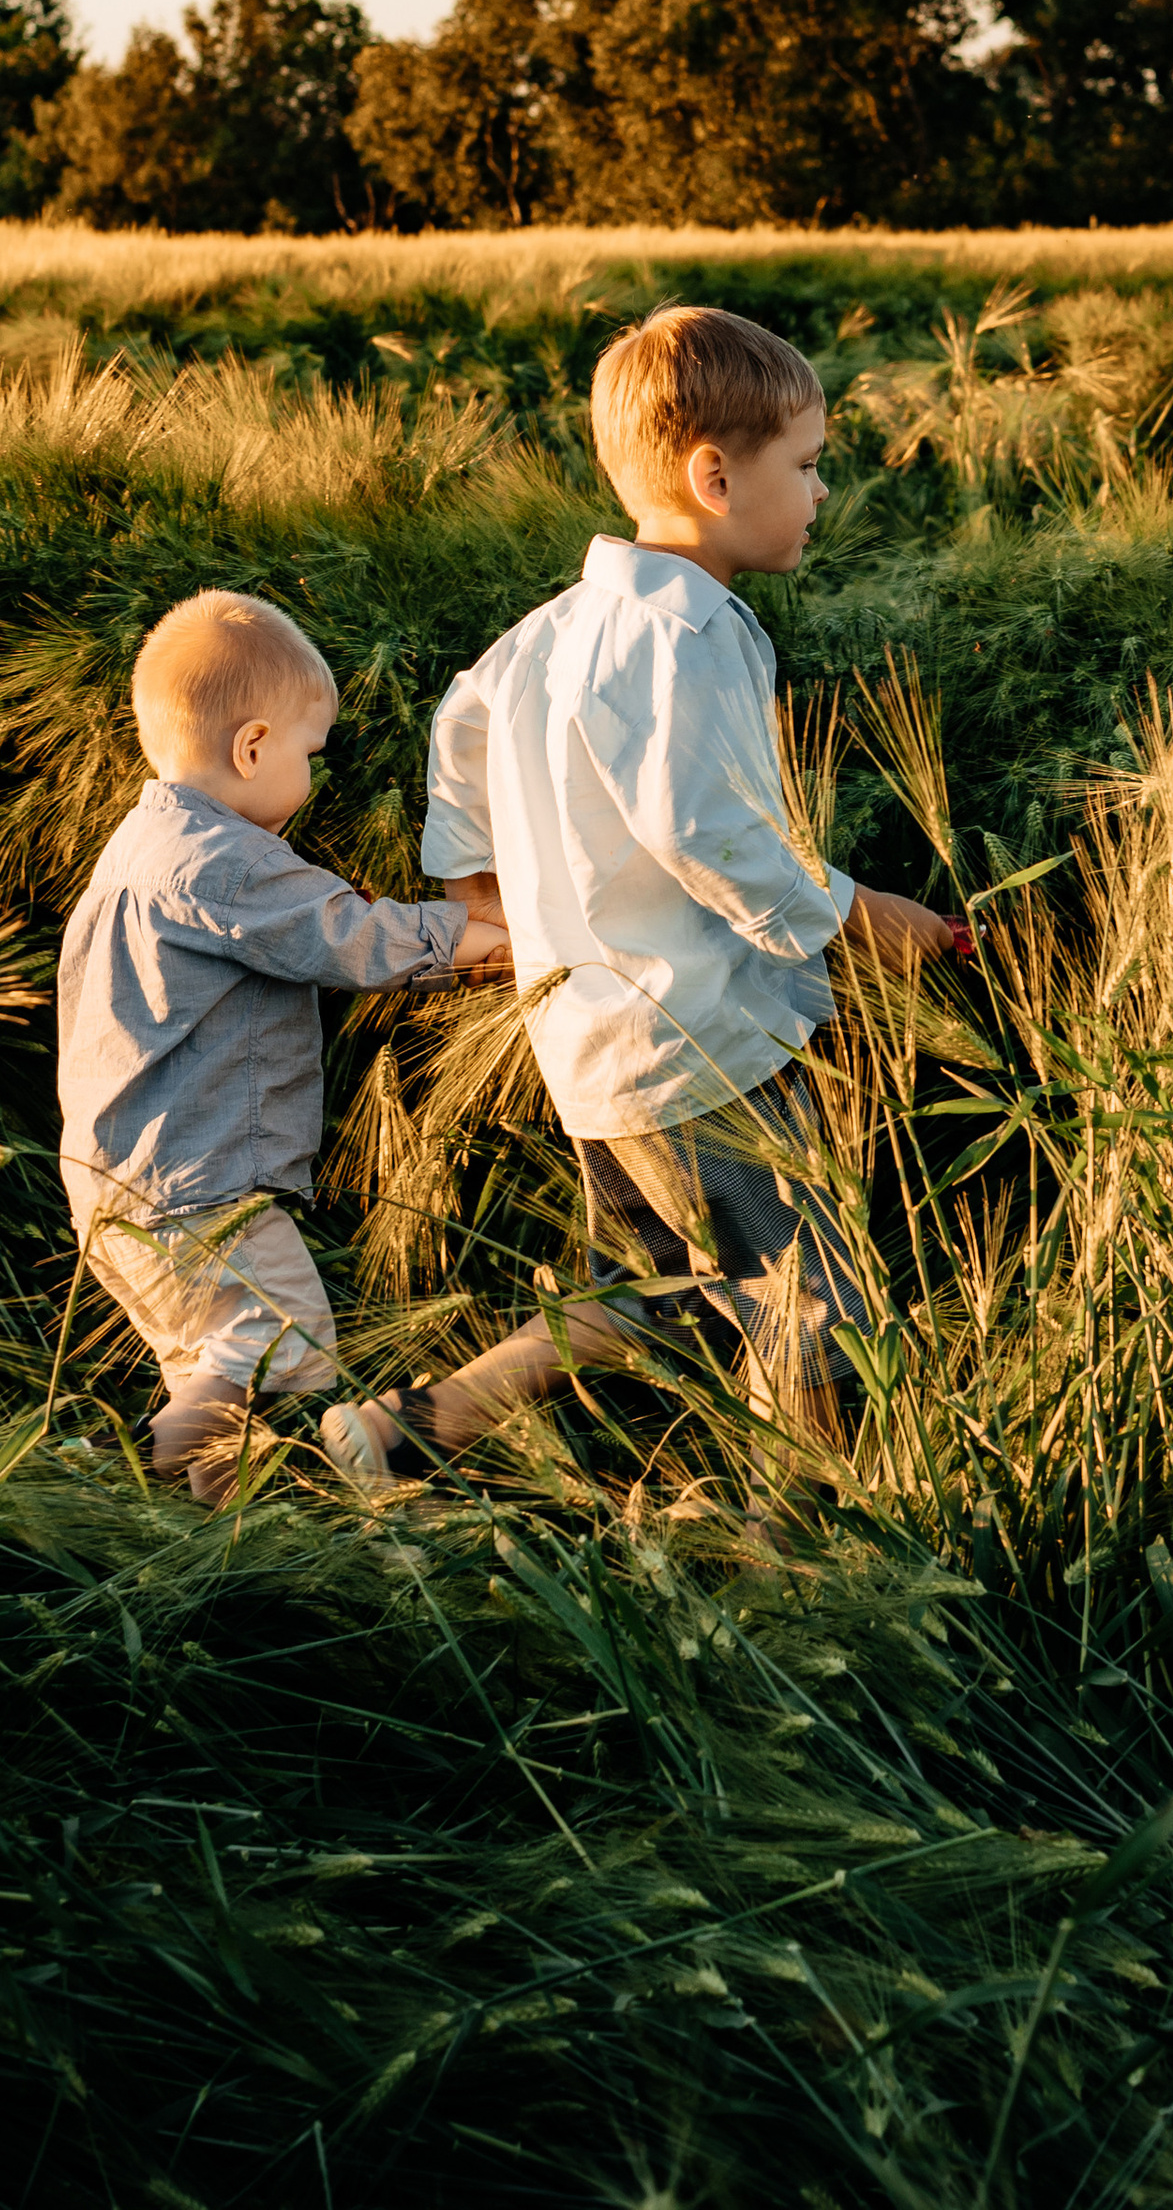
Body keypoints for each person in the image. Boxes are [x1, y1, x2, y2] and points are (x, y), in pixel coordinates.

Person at [336, 303, 967, 1482]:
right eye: (809, 466)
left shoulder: (547, 632)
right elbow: (708, 832)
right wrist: (858, 916)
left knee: (652, 1297)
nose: (822, 492)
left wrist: (481, 880)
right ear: (715, 476)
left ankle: (403, 1432)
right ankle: (800, 1551)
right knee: (812, 1309)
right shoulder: (692, 628)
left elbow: (458, 730)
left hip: (590, 1045)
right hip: (702, 1043)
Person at [55, 584, 512, 1506]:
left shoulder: (138, 848)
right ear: (252, 746)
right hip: (197, 1186)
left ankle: (216, 1543)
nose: (312, 776)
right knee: (285, 1345)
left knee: (217, 1373)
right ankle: (99, 1484)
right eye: (309, 753)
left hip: (123, 1182)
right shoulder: (218, 860)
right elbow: (344, 934)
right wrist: (487, 940)